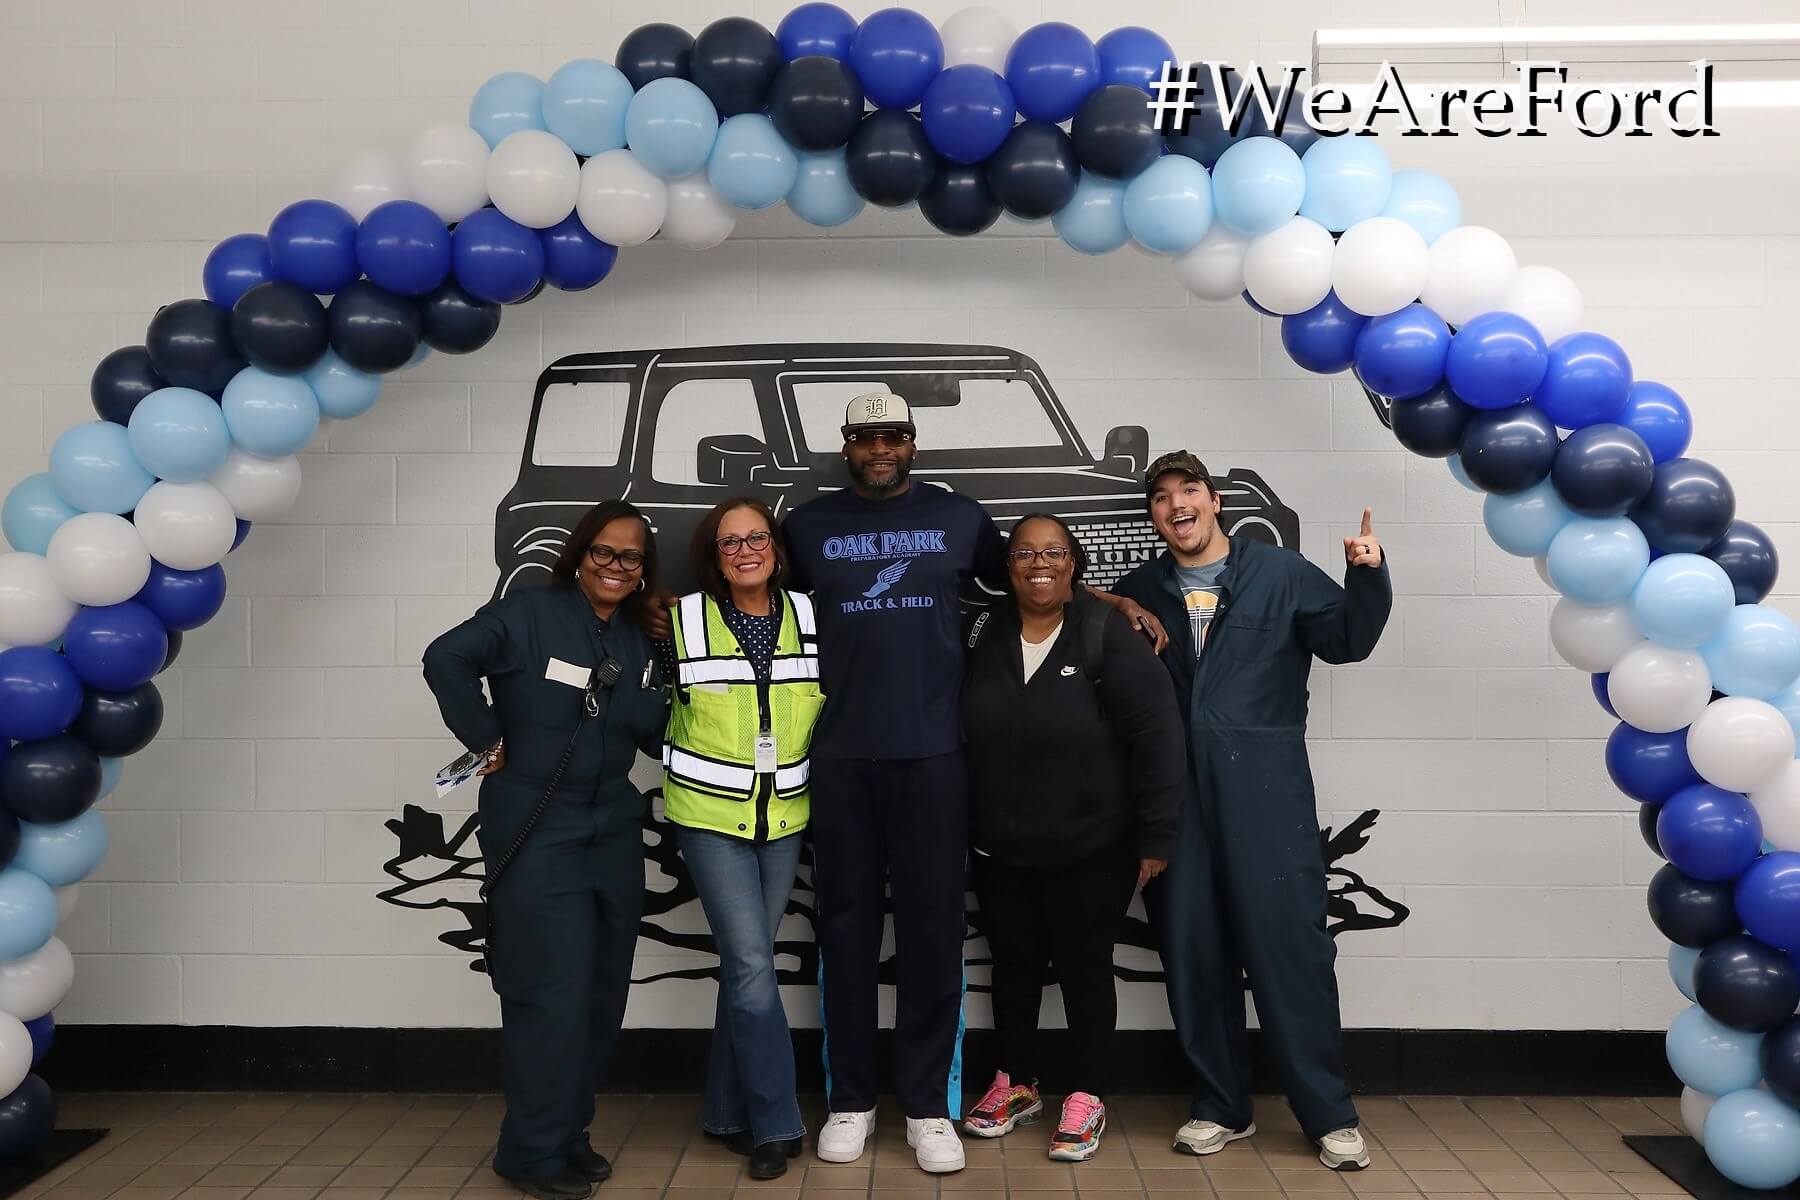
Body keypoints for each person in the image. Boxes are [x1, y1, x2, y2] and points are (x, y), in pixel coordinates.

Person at [780, 392, 1166, 1176]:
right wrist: (660, 611)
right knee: (845, 934)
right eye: (864, 437)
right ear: (846, 446)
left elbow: (1038, 580)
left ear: (913, 442)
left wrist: (1112, 596)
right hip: (843, 754)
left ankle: (926, 1107)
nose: (879, 448)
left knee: (930, 935)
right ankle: (851, 1101)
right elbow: (748, 590)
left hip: (934, 757)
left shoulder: (961, 518)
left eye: (892, 435)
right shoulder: (807, 524)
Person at [1113, 451, 1390, 1172]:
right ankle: (1219, 1107)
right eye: (1163, 497)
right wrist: (1117, 603)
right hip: (1177, 794)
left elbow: (1347, 642)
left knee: (1291, 952)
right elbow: (1079, 620)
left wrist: (1367, 573)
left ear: (1214, 501)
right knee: (1191, 952)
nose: (1178, 505)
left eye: (1190, 491)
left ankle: (1329, 1115)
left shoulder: (1278, 571)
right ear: (1153, 516)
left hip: (1265, 789)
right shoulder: (1143, 585)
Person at [421, 500, 669, 1200]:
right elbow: (445, 657)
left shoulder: (634, 642)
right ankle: (528, 1153)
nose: (617, 567)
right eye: (604, 552)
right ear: (579, 554)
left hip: (612, 827)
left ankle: (568, 1134)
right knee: (547, 996)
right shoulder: (528, 612)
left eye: (632, 557)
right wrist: (485, 741)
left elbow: (652, 732)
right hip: (538, 821)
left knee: (599, 994)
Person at [959, 514, 1186, 1162]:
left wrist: (1156, 836)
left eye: (1053, 552)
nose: (1039, 563)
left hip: (1094, 847)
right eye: (1025, 552)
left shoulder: (1105, 633)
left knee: (1086, 971)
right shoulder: (982, 630)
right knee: (1014, 969)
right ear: (1007, 568)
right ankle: (1018, 1084)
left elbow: (1158, 738)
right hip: (1001, 849)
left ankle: (1088, 1094)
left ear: (1073, 563)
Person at [661, 498, 822, 1182]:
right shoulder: (679, 620)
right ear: (714, 556)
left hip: (783, 820)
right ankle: (775, 1122)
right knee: (755, 966)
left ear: (776, 549)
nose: (745, 549)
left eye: (757, 537)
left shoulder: (812, 618)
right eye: (730, 542)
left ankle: (724, 1111)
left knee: (743, 968)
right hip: (709, 820)